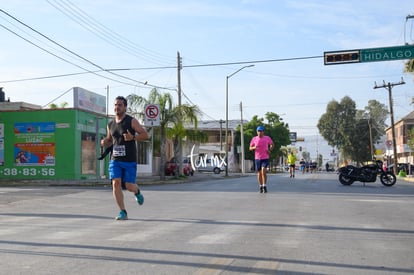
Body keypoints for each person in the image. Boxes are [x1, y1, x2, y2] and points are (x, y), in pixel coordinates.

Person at [101, 96, 149, 220]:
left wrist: (133, 138)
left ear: (125, 107)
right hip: (115, 159)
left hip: (129, 159)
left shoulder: (131, 121)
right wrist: (105, 142)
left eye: (120, 105)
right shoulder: (110, 124)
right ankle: (123, 212)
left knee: (128, 186)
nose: (117, 107)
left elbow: (145, 134)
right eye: (115, 105)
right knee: (115, 183)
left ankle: (137, 191)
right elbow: (110, 140)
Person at [249, 125, 274, 193]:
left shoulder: (267, 138)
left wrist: (270, 149)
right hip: (257, 158)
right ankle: (260, 186)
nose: (260, 132)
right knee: (259, 173)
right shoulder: (254, 139)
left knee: (263, 171)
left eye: (261, 131)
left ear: (263, 132)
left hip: (265, 157)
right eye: (258, 131)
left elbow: (272, 144)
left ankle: (264, 185)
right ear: (257, 132)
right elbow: (250, 148)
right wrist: (254, 147)